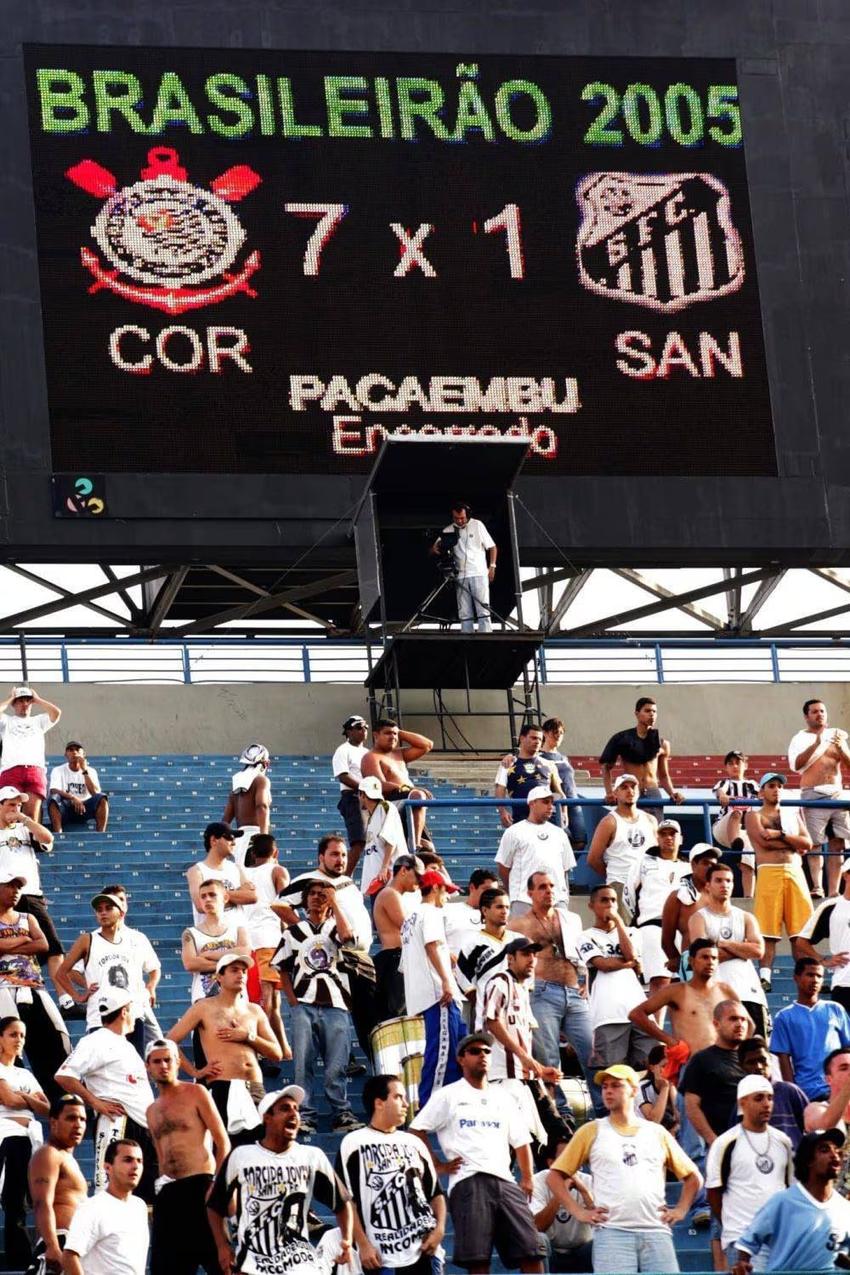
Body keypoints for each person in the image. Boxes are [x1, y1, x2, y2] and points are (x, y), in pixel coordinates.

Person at [410, 1030, 544, 1274]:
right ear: (461, 1059)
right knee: (478, 1260)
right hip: (468, 1181)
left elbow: (521, 1140)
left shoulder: (503, 1097)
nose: (482, 1055)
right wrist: (437, 1166)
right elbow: (417, 1130)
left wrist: (527, 1177)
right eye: (474, 1051)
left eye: (486, 1051)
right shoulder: (448, 1095)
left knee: (532, 1251)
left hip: (505, 1180)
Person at [547, 1063, 700, 1274]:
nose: (608, 1091)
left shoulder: (656, 1132)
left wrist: (682, 1210)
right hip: (612, 1233)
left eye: (616, 1085)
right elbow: (554, 1176)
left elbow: (693, 1177)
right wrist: (578, 1212)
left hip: (656, 1231)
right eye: (605, 1086)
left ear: (634, 1091)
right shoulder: (591, 1130)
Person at [206, 1086, 353, 1275]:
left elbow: (341, 1203)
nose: (294, 1113)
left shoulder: (311, 1156)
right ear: (267, 1118)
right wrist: (222, 1246)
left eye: (296, 1109)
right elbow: (214, 1205)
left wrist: (347, 1241)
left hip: (300, 1263)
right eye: (285, 1109)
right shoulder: (241, 1156)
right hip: (253, 1264)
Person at [275, 878, 362, 1134]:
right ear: (304, 900)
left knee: (337, 1063)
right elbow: (281, 968)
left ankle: (341, 1113)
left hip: (335, 1003)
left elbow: (347, 938)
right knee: (303, 1062)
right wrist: (293, 1002)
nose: (316, 898)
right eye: (311, 894)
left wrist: (334, 900)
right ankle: (305, 1114)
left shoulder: (335, 927)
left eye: (321, 894)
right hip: (304, 1004)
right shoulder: (293, 932)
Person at [336, 1074, 446, 1273]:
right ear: (379, 1103)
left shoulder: (414, 1142)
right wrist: (362, 1244)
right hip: (379, 1256)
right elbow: (345, 1202)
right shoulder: (353, 1143)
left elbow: (435, 1193)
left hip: (423, 1251)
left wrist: (440, 1229)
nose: (406, 1104)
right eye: (398, 1097)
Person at [55, 987, 157, 1200]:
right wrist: (96, 1103)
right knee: (111, 1191)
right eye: (132, 1009)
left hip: (142, 1127)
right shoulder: (96, 1040)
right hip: (118, 1124)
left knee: (145, 1196)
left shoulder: (124, 1044)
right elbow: (64, 1076)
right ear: (124, 1012)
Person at [167, 954, 282, 1144]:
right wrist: (196, 1071)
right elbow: (170, 1042)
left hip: (254, 1087)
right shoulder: (203, 1007)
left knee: (259, 1148)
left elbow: (276, 1053)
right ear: (219, 977)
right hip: (222, 1085)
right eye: (234, 970)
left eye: (244, 971)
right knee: (225, 1147)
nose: (241, 975)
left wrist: (248, 1036)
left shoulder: (254, 1010)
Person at [509, 871, 596, 1115]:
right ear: (530, 893)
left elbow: (581, 954)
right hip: (542, 992)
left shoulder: (570, 919)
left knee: (592, 1053)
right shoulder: (519, 924)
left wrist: (584, 981)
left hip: (573, 991)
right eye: (542, 887)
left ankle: (601, 1110)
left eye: (551, 886)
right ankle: (561, 1115)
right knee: (548, 1057)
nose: (548, 891)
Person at [145, 1037, 230, 1275]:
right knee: (166, 1268)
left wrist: (216, 1185)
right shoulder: (151, 1111)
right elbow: (161, 1155)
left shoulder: (196, 1092)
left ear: (178, 1062)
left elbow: (223, 1141)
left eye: (168, 1060)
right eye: (157, 1061)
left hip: (201, 1185)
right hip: (169, 1193)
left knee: (220, 1263)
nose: (163, 1065)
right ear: (147, 1066)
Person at [56, 887, 162, 1059]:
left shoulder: (135, 939)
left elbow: (153, 968)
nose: (103, 913)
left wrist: (151, 986)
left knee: (132, 1070)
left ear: (121, 912)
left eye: (108, 908)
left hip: (132, 1016)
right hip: (100, 1018)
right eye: (99, 910)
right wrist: (79, 996)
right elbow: (62, 972)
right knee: (101, 1071)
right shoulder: (87, 940)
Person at [731, 1129, 850, 1273]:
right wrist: (742, 1263)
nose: (834, 1155)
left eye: (838, 1151)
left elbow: (841, 1251)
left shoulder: (844, 1208)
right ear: (809, 1160)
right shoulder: (782, 1202)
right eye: (824, 1150)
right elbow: (747, 1243)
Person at [706, 1075, 793, 1270]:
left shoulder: (783, 1141)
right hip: (742, 1239)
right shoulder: (725, 1142)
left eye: (770, 1098)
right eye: (759, 1098)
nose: (766, 1104)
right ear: (742, 1102)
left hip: (779, 1239)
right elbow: (713, 1193)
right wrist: (732, 1226)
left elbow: (789, 1189)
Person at [0, 869, 69, 1101]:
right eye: (10, 886)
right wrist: (23, 939)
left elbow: (43, 945)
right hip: (2, 989)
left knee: (54, 1041)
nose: (16, 891)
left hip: (33, 986)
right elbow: (33, 942)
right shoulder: (23, 925)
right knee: (7, 1046)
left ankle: (58, 1101)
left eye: (18, 887)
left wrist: (7, 945)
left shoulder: (27, 917)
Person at [400, 869, 465, 1108]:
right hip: (438, 994)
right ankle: (430, 1107)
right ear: (435, 889)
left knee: (455, 1052)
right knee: (442, 1055)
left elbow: (406, 963)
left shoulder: (410, 918)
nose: (447, 897)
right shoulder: (430, 912)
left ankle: (447, 1105)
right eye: (446, 891)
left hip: (426, 994)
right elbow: (432, 945)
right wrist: (446, 980)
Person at [744, 770, 813, 991]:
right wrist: (793, 843)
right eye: (771, 786)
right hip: (769, 872)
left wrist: (780, 835)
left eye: (779, 786)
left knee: (800, 933)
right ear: (762, 791)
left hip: (794, 872)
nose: (777, 790)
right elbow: (764, 844)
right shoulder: (753, 816)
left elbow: (808, 844)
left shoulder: (792, 815)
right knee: (768, 932)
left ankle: (806, 977)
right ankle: (765, 977)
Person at [0, 785, 68, 1007]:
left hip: (28, 892)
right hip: (1, 895)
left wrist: (25, 818)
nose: (16, 808)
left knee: (53, 946)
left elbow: (47, 838)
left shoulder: (25, 830)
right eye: (11, 804)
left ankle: (65, 999)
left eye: (19, 804)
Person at [677, 999, 750, 1203]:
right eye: (733, 1019)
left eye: (743, 1019)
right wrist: (713, 1140)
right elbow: (691, 1105)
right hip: (721, 1146)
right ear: (716, 1024)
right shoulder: (702, 1060)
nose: (740, 1024)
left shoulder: (754, 1058)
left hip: (752, 1146)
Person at [629, 939, 747, 1060]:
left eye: (714, 958)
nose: (710, 962)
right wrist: (669, 1041)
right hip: (691, 1062)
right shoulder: (676, 991)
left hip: (725, 1061)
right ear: (691, 961)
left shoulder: (725, 990)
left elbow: (748, 1023)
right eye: (705, 957)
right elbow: (636, 1014)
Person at [577, 884, 654, 1069]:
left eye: (613, 900)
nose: (610, 905)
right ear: (591, 906)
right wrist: (629, 964)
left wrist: (619, 922)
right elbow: (603, 965)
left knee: (648, 1069)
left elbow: (631, 955)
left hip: (639, 1012)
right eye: (604, 900)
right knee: (613, 1073)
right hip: (608, 1015)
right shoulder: (584, 936)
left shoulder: (633, 932)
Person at [688, 861, 769, 1036]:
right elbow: (702, 957)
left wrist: (723, 944)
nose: (724, 885)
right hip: (715, 997)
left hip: (750, 994)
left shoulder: (746, 917)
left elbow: (758, 951)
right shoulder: (698, 918)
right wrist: (742, 949)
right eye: (718, 881)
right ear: (708, 885)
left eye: (728, 881)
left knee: (756, 1053)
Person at [788, 698, 850, 900]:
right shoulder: (800, 738)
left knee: (838, 843)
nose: (819, 714)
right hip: (812, 793)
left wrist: (841, 748)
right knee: (814, 843)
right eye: (814, 711)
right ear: (806, 716)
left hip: (836, 794)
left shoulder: (837, 737)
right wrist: (816, 743)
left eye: (822, 711)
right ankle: (817, 886)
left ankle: (833, 890)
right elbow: (796, 765)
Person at [0, 1015, 48, 1268]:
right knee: (15, 1199)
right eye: (13, 1034)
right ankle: (18, 1258)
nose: (19, 1040)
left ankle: (42, 1251)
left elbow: (47, 1108)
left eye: (22, 1035)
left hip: (32, 1137)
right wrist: (29, 1098)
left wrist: (24, 1097)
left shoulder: (24, 1073)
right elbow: (8, 1100)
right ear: (0, 1038)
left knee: (41, 1198)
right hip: (7, 1137)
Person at [62, 1138, 149, 1275]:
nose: (135, 1166)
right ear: (108, 1167)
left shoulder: (139, 1206)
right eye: (128, 1160)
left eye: (139, 1161)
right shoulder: (92, 1208)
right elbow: (69, 1256)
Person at [624, 817, 690, 998]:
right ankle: (655, 1024)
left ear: (681, 838)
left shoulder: (689, 867)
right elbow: (628, 893)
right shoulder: (644, 861)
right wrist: (639, 919)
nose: (668, 838)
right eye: (663, 834)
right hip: (652, 925)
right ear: (657, 838)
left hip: (682, 929)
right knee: (659, 980)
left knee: (688, 982)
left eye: (672, 834)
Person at [771, 958, 850, 1101]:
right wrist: (793, 1094)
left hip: (839, 1089)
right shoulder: (783, 1017)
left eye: (819, 976)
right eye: (810, 975)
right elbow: (784, 1060)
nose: (815, 980)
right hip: (807, 1093)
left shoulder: (835, 1009)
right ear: (796, 978)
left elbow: (848, 1049)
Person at [27, 1093, 88, 1275]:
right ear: (53, 1122)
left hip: (73, 1246)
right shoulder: (48, 1154)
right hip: (58, 1243)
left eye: (82, 1119)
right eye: (71, 1118)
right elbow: (41, 1202)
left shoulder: (67, 1158)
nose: (78, 1125)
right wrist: (52, 1245)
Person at [242, 834, 289, 1063]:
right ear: (276, 852)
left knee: (269, 1000)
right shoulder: (277, 871)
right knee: (268, 1000)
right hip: (270, 939)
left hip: (249, 941)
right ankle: (267, 1050)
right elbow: (286, 903)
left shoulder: (244, 874)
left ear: (253, 854)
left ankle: (284, 1048)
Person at [495, 787, 574, 918]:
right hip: (524, 900)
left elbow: (565, 869)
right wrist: (515, 893)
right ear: (532, 803)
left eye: (551, 802)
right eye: (545, 802)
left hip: (556, 899)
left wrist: (564, 896)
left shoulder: (560, 833)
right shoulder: (514, 832)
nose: (550, 806)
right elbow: (503, 867)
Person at [361, 720, 434, 851]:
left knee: (430, 852)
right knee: (417, 795)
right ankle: (415, 843)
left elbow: (427, 745)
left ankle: (417, 841)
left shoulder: (398, 754)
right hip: (391, 803)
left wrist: (400, 732)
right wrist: (409, 789)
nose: (393, 737)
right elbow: (377, 786)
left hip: (409, 802)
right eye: (387, 733)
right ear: (376, 735)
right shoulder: (371, 757)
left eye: (395, 734)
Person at [586, 774, 658, 905]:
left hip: (648, 885)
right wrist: (614, 877)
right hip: (620, 883)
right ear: (616, 793)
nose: (630, 790)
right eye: (624, 787)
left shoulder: (650, 820)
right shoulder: (609, 822)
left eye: (633, 787)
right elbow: (593, 859)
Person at [598, 696, 683, 805]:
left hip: (653, 794)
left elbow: (663, 776)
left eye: (654, 711)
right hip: (631, 792)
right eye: (647, 711)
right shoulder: (621, 738)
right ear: (637, 714)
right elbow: (606, 766)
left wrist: (672, 792)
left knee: (654, 822)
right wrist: (609, 792)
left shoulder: (663, 744)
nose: (652, 714)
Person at [430, 501, 497, 634]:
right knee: (464, 611)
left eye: (462, 518)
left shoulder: (477, 525)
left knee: (483, 608)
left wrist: (492, 567)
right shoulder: (448, 530)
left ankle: (486, 636)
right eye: (456, 518)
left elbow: (492, 547)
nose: (460, 521)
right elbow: (434, 549)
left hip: (479, 573)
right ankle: (467, 637)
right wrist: (434, 548)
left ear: (468, 515)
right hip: (460, 575)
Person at [531, 1137, 594, 1275]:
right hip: (551, 1253)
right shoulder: (537, 1182)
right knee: (537, 1239)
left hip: (583, 1250)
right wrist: (560, 1194)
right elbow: (536, 1227)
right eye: (567, 1156)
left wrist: (584, 1192)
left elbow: (604, 1224)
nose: (573, 1161)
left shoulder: (588, 1182)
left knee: (604, 1240)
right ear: (551, 1163)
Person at [372, 854, 424, 1021]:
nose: (420, 883)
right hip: (394, 958)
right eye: (418, 876)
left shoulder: (396, 896)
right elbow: (407, 928)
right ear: (403, 870)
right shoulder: (390, 894)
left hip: (399, 958)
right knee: (399, 1014)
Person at [796, 859, 850, 1013]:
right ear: (846, 875)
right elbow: (802, 941)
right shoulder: (831, 906)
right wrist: (823, 960)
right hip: (844, 982)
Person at [0, 686, 61, 822]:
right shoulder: (6, 721)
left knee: (31, 817)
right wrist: (10, 698)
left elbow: (56, 713)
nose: (25, 704)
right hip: (11, 771)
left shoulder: (38, 720)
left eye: (28, 700)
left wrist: (38, 699)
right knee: (9, 815)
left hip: (35, 771)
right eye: (20, 700)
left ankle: (31, 843)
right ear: (14, 704)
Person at [661, 842, 721, 975]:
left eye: (713, 865)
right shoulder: (677, 897)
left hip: (720, 964)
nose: (710, 868)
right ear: (693, 865)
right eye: (705, 863)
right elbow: (666, 938)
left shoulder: (719, 896)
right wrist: (678, 961)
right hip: (692, 967)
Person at [456, 886, 511, 1028]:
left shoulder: (518, 940)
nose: (505, 911)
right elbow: (462, 976)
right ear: (485, 910)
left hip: (515, 1016)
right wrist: (482, 1000)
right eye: (499, 907)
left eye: (507, 907)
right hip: (486, 1018)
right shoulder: (472, 944)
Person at [738, 1036, 807, 1149]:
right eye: (751, 1063)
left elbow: (811, 1127)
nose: (759, 1067)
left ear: (770, 1060)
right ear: (741, 1067)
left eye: (762, 1060)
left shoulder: (790, 1092)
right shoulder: (742, 1103)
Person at [186, 823, 256, 928]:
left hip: (238, 935)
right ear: (214, 840)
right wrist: (238, 893)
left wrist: (214, 895)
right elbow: (201, 905)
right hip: (212, 938)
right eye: (229, 838)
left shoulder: (236, 868)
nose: (233, 843)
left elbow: (252, 897)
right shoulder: (196, 871)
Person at [494, 723, 562, 830]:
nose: (537, 742)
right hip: (521, 819)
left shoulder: (549, 764)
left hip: (549, 819)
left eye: (540, 739)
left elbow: (559, 792)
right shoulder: (507, 764)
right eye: (533, 738)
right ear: (522, 738)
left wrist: (564, 812)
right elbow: (500, 789)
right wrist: (502, 811)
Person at [711, 750, 758, 897]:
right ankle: (735, 849)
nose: (735, 766)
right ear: (726, 767)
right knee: (736, 812)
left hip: (743, 831)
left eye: (738, 762)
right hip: (723, 828)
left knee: (748, 863)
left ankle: (748, 897)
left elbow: (762, 793)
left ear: (745, 765)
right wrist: (723, 796)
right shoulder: (725, 783)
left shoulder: (751, 784)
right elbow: (719, 791)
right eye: (730, 763)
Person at [540, 717, 587, 850]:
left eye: (561, 733)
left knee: (580, 840)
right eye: (554, 732)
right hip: (555, 802)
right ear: (545, 733)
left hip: (573, 802)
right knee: (562, 838)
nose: (558, 736)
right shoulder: (539, 757)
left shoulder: (564, 758)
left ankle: (565, 867)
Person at [358, 775, 408, 897]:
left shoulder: (385, 807)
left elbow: (390, 839)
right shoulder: (372, 816)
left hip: (387, 878)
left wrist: (384, 868)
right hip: (378, 879)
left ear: (362, 795)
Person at [222, 742, 271, 863]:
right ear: (266, 763)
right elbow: (262, 806)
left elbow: (225, 820)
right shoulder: (261, 780)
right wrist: (264, 837)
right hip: (255, 837)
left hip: (238, 840)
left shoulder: (236, 785)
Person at [332, 715, 369, 874]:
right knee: (358, 840)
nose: (364, 731)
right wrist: (364, 787)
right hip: (353, 797)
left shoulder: (367, 752)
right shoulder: (343, 750)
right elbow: (343, 776)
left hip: (369, 798)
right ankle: (345, 877)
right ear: (349, 731)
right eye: (359, 727)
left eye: (366, 727)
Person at [46, 743, 108, 836]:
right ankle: (58, 834)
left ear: (84, 754)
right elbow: (53, 790)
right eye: (70, 750)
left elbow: (95, 793)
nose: (74, 752)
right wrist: (72, 798)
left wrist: (84, 771)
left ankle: (101, 835)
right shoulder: (58, 770)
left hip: (85, 808)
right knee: (53, 798)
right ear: (65, 755)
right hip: (66, 808)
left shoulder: (91, 771)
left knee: (102, 798)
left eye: (78, 750)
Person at [442, 868, 498, 957]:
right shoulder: (448, 910)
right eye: (487, 890)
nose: (491, 895)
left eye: (494, 891)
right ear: (472, 887)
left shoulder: (497, 916)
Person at [638, 1045, 679, 1133]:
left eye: (672, 1066)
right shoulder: (641, 1087)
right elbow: (653, 1121)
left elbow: (682, 1120)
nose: (670, 1071)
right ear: (652, 1068)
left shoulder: (676, 1086)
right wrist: (665, 1087)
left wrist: (671, 1087)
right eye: (664, 1066)